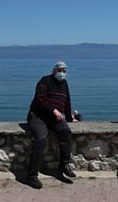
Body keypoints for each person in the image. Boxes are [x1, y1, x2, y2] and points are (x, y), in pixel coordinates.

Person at [26, 61, 76, 189]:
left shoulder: (64, 84)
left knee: (65, 132)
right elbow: (40, 99)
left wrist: (70, 118)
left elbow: (67, 102)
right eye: (60, 70)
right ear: (54, 70)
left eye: (64, 71)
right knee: (41, 138)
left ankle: (64, 165)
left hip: (54, 119)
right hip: (38, 116)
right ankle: (32, 176)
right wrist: (53, 110)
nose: (62, 73)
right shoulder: (45, 81)